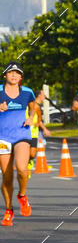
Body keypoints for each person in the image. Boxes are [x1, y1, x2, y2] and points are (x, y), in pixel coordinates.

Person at [0, 63, 35, 226]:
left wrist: (31, 117)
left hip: (22, 134)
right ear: (5, 75)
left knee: (21, 169)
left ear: (21, 77)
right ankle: (9, 209)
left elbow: (33, 107)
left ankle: (22, 195)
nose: (14, 75)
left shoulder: (27, 92)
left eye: (17, 73)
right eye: (10, 72)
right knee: (7, 177)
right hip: (3, 137)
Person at [28, 89, 52, 172]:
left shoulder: (37, 106)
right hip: (28, 132)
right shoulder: (32, 105)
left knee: (36, 150)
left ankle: (36, 162)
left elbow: (39, 118)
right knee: (36, 148)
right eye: (43, 94)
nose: (44, 96)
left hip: (35, 132)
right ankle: (29, 163)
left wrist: (38, 123)